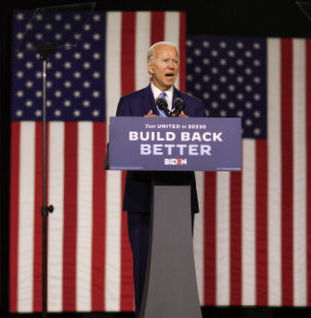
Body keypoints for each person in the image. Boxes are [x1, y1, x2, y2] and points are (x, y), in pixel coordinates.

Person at [115, 41, 206, 317]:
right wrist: (143, 130)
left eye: (175, 61)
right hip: (142, 200)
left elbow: (205, 149)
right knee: (145, 269)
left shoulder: (192, 105)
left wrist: (187, 128)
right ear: (150, 66)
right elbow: (119, 148)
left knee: (177, 271)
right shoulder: (130, 103)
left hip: (179, 202)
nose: (171, 66)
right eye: (165, 60)